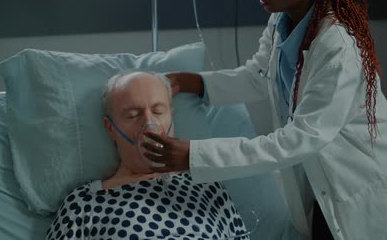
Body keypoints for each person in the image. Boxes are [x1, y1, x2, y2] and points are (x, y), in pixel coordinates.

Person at [141, 0, 387, 240]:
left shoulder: (338, 47)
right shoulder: (283, 19)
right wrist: (188, 81)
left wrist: (194, 155)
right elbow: (258, 76)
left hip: (369, 195)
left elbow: (299, 138)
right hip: (322, 190)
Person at [45, 71, 250, 240]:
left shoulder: (207, 186)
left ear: (172, 115)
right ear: (110, 128)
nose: (149, 124)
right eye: (133, 115)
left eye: (159, 111)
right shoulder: (84, 203)